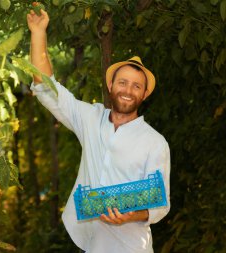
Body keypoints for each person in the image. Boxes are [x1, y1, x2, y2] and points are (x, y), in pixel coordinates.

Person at [27, 9, 171, 253]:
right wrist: (38, 33)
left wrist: (129, 216)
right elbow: (47, 88)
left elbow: (160, 205)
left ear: (144, 95)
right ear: (110, 84)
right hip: (91, 246)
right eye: (123, 82)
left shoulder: (155, 143)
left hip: (132, 248)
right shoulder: (90, 119)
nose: (128, 90)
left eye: (137, 86)